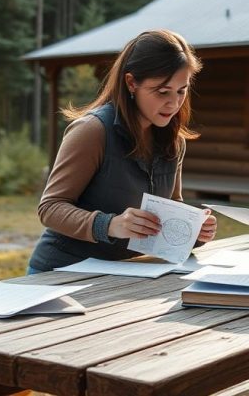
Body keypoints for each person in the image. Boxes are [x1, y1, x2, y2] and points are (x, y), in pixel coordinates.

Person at [27, 29, 217, 274]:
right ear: (131, 83)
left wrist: (193, 230)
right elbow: (50, 208)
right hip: (62, 274)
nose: (174, 103)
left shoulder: (174, 141)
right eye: (162, 92)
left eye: (182, 90)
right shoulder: (92, 131)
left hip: (128, 274)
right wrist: (110, 224)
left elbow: (170, 206)